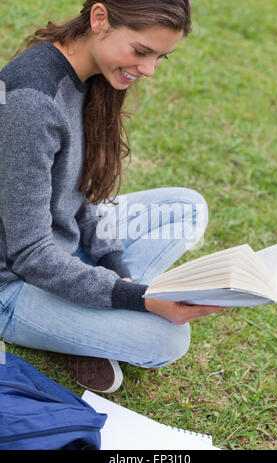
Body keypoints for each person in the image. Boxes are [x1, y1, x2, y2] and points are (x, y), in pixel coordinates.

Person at [0, 1, 225, 393]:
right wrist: (135, 298)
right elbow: (30, 254)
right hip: (16, 283)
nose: (149, 70)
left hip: (62, 247)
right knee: (167, 341)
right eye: (141, 52)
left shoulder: (91, 74)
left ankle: (89, 319)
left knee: (187, 208)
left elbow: (81, 194)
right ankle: (79, 330)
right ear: (99, 19)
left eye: (161, 57)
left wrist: (116, 268)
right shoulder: (32, 102)